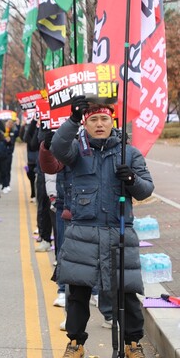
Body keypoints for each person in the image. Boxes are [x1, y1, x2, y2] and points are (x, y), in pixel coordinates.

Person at [51, 96, 154, 358]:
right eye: (93, 119)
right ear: (86, 124)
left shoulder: (129, 153)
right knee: (78, 293)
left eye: (104, 119)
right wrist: (73, 119)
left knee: (126, 293)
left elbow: (145, 190)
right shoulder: (76, 151)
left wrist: (131, 179)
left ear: (113, 122)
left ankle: (132, 343)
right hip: (83, 234)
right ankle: (75, 343)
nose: (99, 124)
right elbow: (57, 147)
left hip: (119, 232)